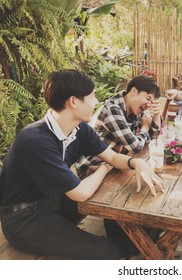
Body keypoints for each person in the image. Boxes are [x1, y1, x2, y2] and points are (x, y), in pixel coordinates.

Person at [0, 69, 164, 259]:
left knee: (114, 205)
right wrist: (105, 168)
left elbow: (111, 156)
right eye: (92, 96)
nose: (96, 102)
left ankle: (144, 239)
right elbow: (80, 192)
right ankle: (144, 247)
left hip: (54, 200)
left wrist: (135, 163)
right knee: (105, 252)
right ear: (74, 101)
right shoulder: (36, 141)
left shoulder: (78, 128)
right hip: (24, 220)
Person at [75, 75, 161, 177]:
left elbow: (154, 137)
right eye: (148, 98)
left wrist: (156, 114)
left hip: (112, 166)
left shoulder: (135, 109)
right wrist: (145, 127)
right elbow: (135, 147)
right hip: (89, 170)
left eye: (152, 102)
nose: (149, 105)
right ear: (133, 91)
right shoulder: (112, 109)